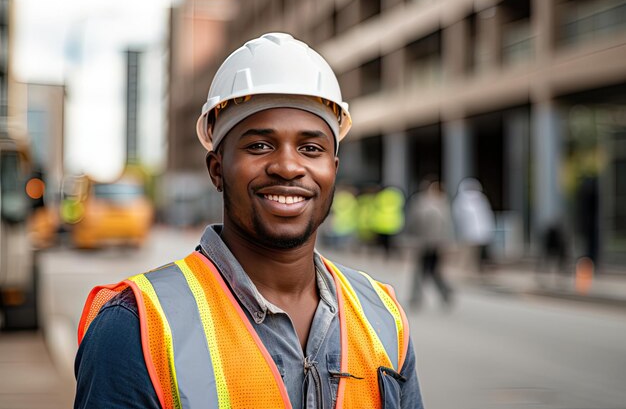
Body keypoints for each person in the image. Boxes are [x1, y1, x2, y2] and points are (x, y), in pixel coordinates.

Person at [74, 32, 424, 409]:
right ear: (217, 169)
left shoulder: (383, 317)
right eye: (259, 145)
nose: (289, 166)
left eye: (311, 148)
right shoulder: (136, 327)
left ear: (332, 170)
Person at [407, 179, 454, 309]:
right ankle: (418, 297)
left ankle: (444, 291)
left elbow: (447, 227)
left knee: (430, 271)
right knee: (424, 271)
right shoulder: (426, 203)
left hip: (434, 244)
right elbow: (414, 223)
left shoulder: (438, 204)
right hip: (425, 243)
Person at [452, 177, 495, 275]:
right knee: (467, 254)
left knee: (479, 254)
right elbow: (458, 218)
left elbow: (486, 216)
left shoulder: (481, 200)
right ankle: (466, 271)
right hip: (467, 234)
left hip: (481, 234)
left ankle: (476, 271)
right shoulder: (461, 201)